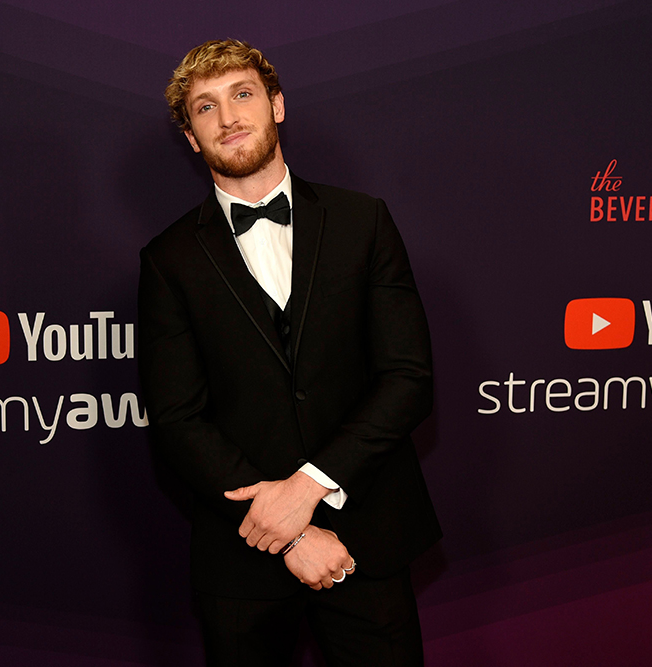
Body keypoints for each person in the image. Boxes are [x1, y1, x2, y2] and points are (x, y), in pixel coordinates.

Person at [138, 39, 441, 667]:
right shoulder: (167, 260)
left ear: (276, 105)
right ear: (191, 138)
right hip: (242, 557)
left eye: (242, 95)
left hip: (368, 537)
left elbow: (407, 378)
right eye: (205, 108)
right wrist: (292, 531)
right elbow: (177, 419)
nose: (228, 118)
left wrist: (309, 488)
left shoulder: (364, 221)